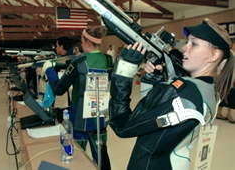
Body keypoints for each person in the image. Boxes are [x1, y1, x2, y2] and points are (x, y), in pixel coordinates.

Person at [108, 18, 235, 170]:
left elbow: (122, 126)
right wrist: (152, 82)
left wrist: (123, 72)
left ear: (214, 55)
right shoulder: (209, 88)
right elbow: (147, 116)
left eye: (194, 44)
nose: (185, 48)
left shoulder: (180, 91)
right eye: (187, 42)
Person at [43, 26, 111, 169]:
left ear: (87, 42)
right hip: (100, 118)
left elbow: (59, 88)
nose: (80, 45)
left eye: (81, 41)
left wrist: (49, 69)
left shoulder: (79, 61)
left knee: (77, 159)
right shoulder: (108, 60)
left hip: (79, 120)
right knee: (102, 158)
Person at [50, 36, 74, 123]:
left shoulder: (64, 61)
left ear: (62, 46)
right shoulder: (72, 59)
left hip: (65, 99)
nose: (56, 48)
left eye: (57, 46)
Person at [216, 41, 235, 123]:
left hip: (230, 79)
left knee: (228, 96)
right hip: (225, 79)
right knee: (224, 96)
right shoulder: (229, 54)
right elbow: (222, 69)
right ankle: (221, 113)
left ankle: (227, 113)